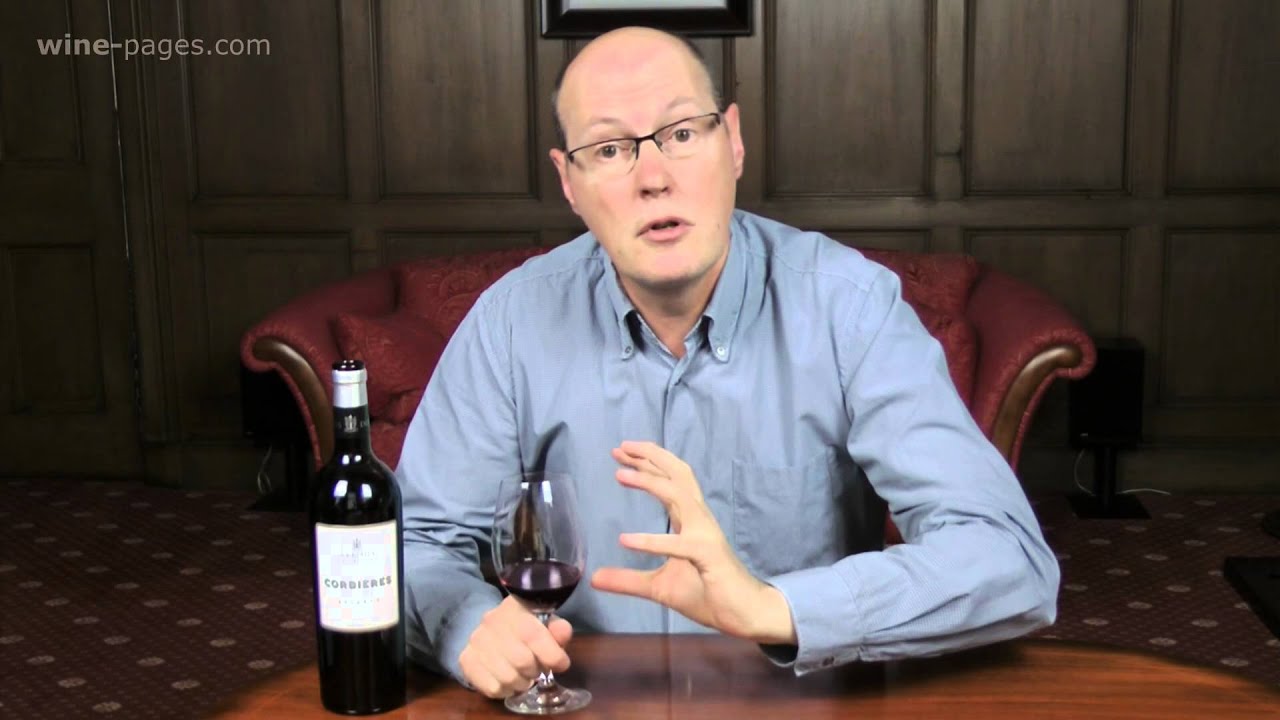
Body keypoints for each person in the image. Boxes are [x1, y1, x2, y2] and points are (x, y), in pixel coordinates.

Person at [396, 26, 1058, 699]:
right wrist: (469, 629)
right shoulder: (510, 323)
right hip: (583, 700)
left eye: (682, 133)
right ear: (569, 181)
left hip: (794, 704)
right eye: (610, 149)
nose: (654, 178)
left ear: (734, 142)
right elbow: (417, 545)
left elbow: (1006, 558)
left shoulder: (849, 309)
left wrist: (773, 608)